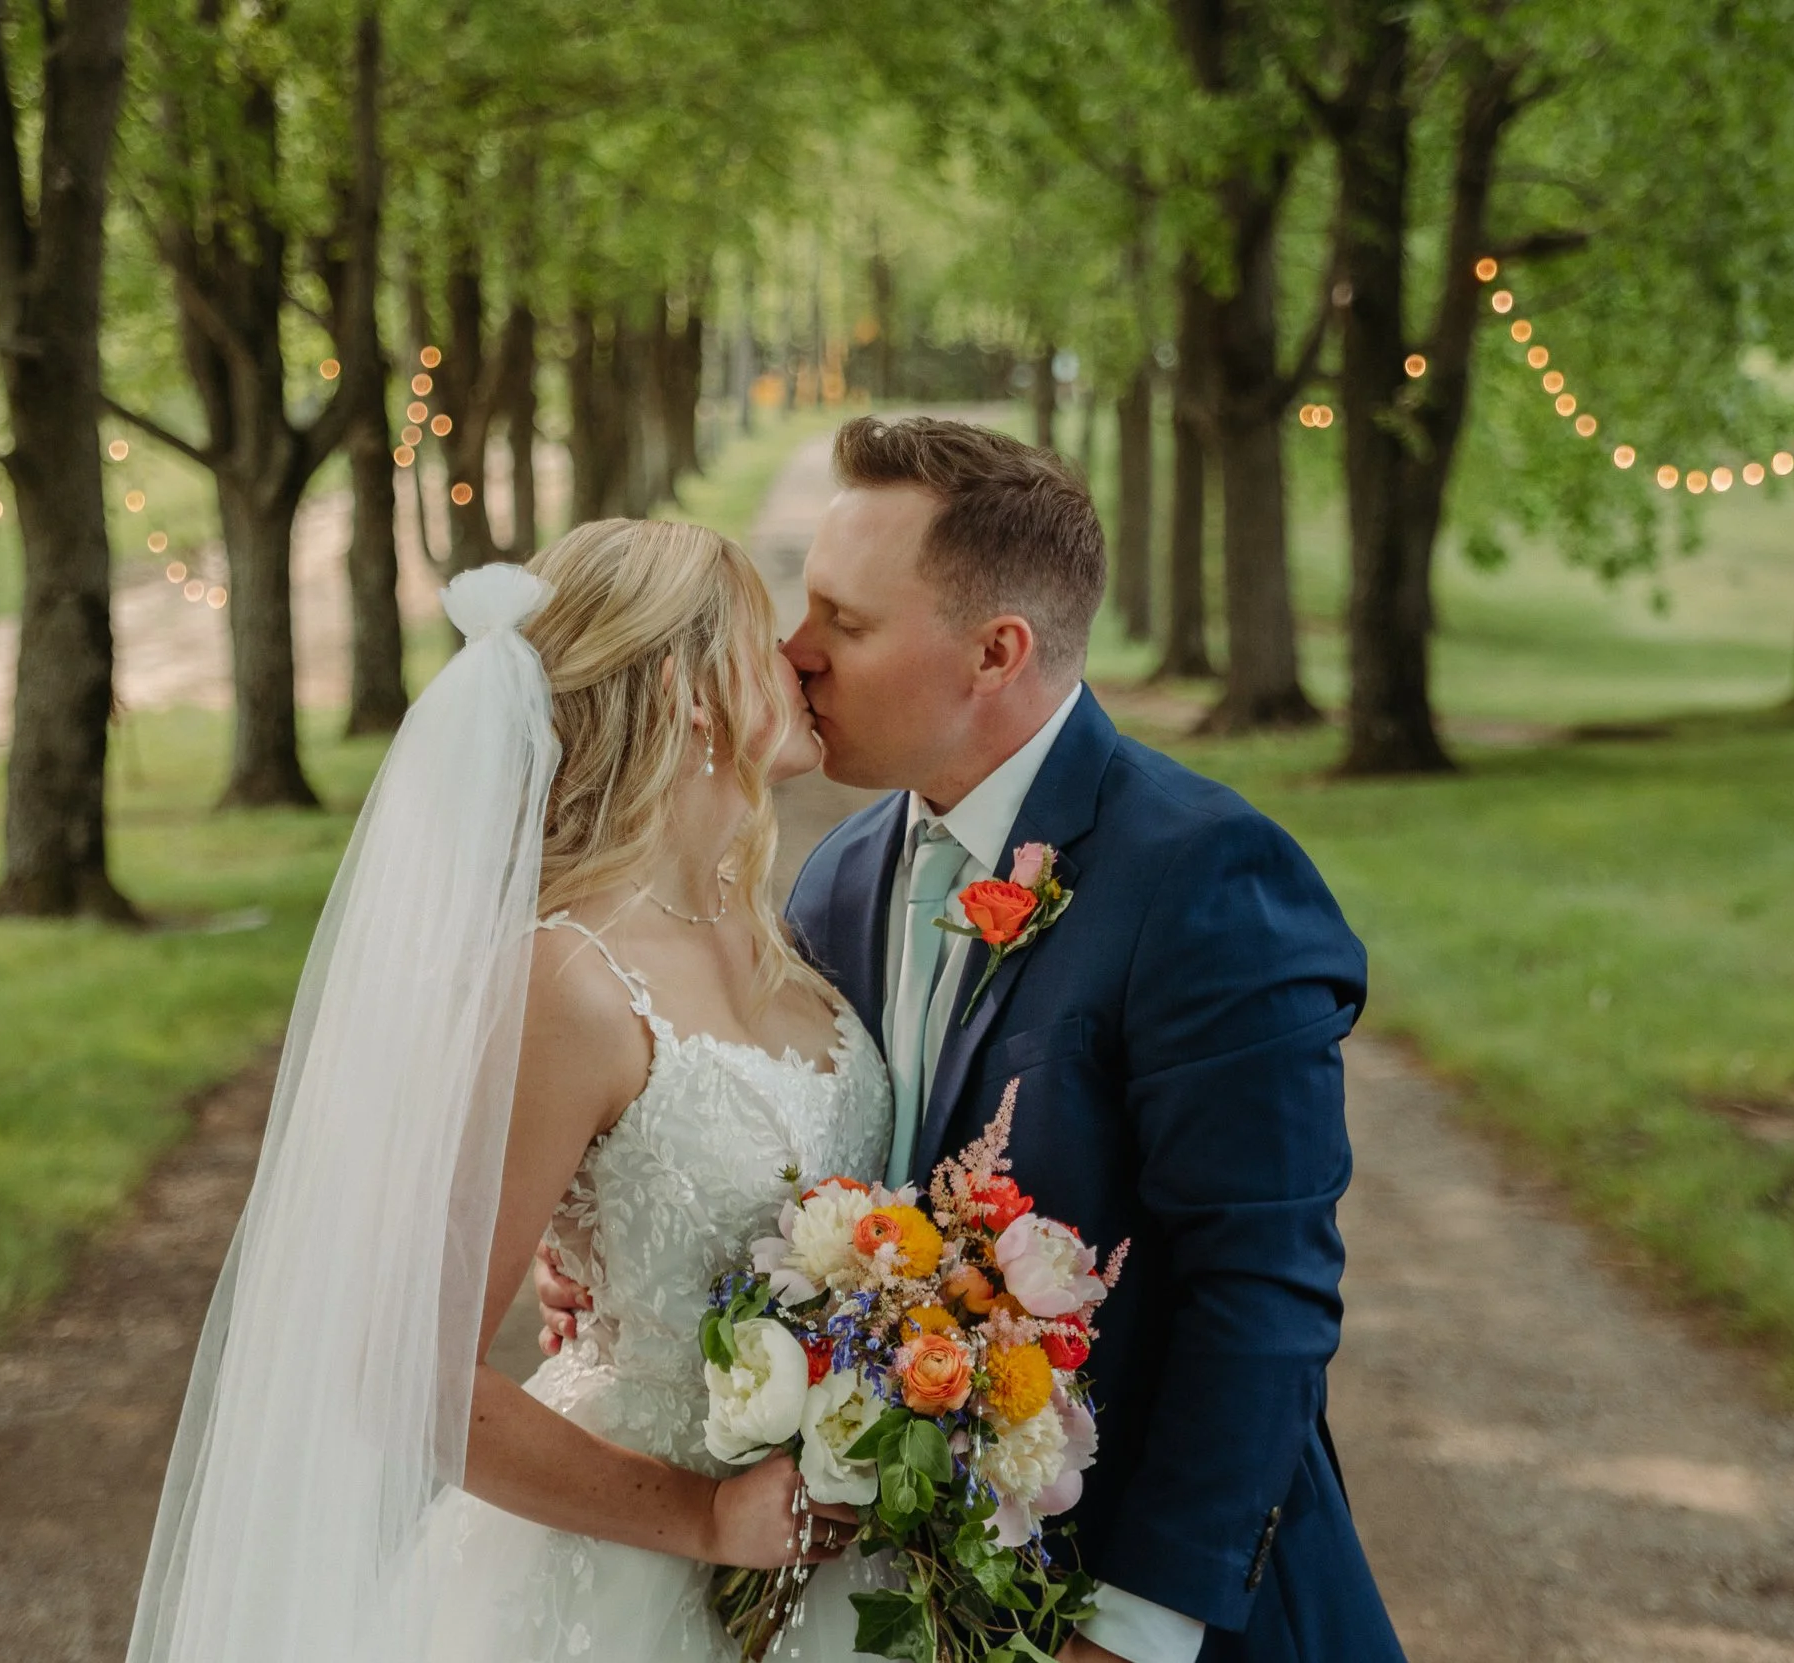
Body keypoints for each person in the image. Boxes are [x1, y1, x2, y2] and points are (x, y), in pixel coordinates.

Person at [541, 417, 1407, 1662]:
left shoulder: (1208, 877)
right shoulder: (838, 878)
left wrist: (1126, 1632)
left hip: (1146, 1605)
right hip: (895, 1602)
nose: (794, 655)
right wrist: (596, 1238)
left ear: (995, 652)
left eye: (845, 621)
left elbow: (1259, 1293)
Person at [127, 521, 892, 1662]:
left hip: (836, 1564)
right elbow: (403, 1383)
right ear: (688, 691)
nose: (797, 655)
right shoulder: (566, 979)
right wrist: (699, 1516)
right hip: (634, 1576)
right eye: (761, 634)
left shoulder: (780, 931)